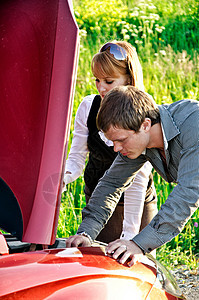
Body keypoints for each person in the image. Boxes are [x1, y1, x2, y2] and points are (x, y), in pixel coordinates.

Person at [66, 85, 199, 267]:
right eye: (113, 141)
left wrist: (138, 245)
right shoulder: (140, 139)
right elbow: (112, 183)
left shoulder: (194, 123)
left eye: (121, 140)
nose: (116, 149)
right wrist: (86, 233)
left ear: (145, 125)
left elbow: (187, 193)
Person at [63, 41, 157, 243]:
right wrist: (61, 179)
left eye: (108, 81)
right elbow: (76, 158)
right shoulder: (88, 107)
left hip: (136, 205)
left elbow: (138, 179)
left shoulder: (144, 113)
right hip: (98, 200)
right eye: (97, 80)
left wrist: (130, 236)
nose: (101, 88)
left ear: (129, 79)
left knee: (139, 265)